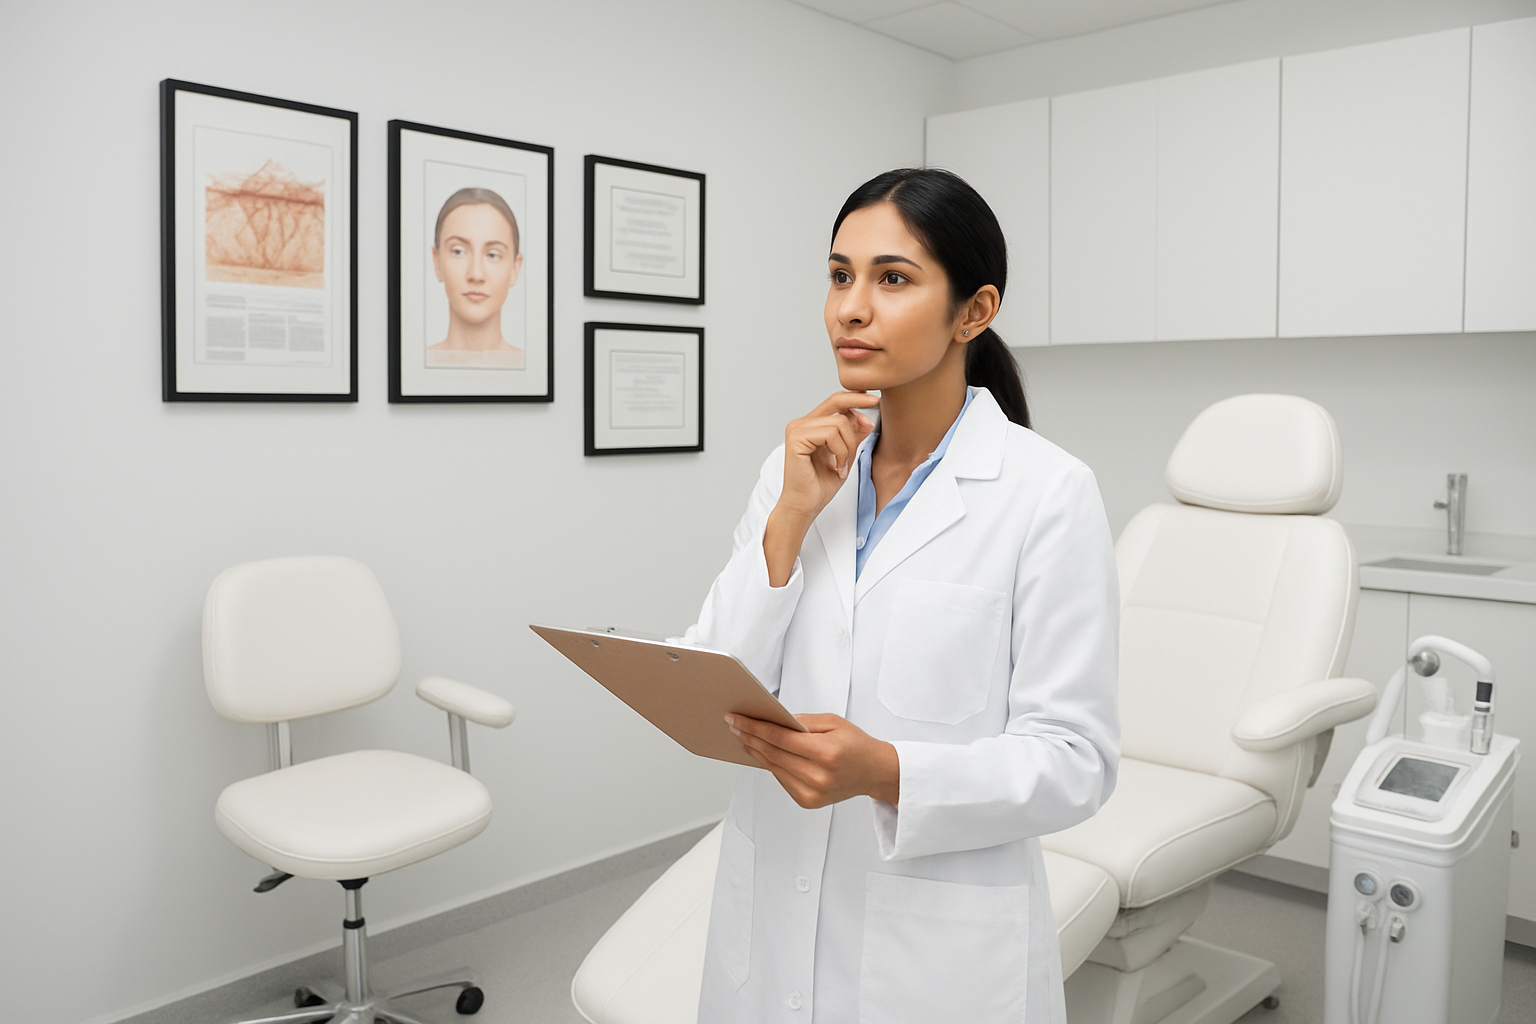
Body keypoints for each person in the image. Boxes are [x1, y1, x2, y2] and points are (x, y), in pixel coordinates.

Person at [682, 168, 1121, 1023]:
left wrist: (886, 772)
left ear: (974, 311)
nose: (850, 307)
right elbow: (716, 680)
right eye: (841, 275)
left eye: (892, 278)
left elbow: (1077, 761)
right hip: (772, 901)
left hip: (934, 951)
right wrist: (789, 520)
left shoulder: (1046, 493)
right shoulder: (795, 470)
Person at [426, 187, 525, 368]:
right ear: (437, 261)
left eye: (493, 255)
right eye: (458, 251)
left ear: (515, 268)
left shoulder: (533, 369)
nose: (476, 274)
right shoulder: (414, 365)